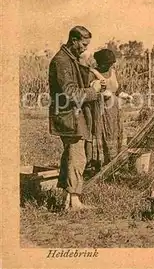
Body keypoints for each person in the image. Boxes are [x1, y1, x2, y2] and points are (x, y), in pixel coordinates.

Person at [48, 26, 102, 210]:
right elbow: (71, 92)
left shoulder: (69, 59)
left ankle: (68, 199)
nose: (85, 48)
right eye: (83, 44)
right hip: (69, 115)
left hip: (71, 114)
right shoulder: (62, 61)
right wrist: (92, 91)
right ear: (74, 40)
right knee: (77, 156)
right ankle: (75, 200)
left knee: (70, 155)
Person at [87, 49, 132, 172]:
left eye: (111, 63)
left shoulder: (113, 72)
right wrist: (101, 94)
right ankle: (101, 166)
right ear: (100, 63)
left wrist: (124, 95)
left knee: (116, 133)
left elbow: (117, 89)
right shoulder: (92, 73)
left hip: (115, 111)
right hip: (101, 111)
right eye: (107, 63)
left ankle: (116, 165)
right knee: (103, 134)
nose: (110, 65)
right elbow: (89, 91)